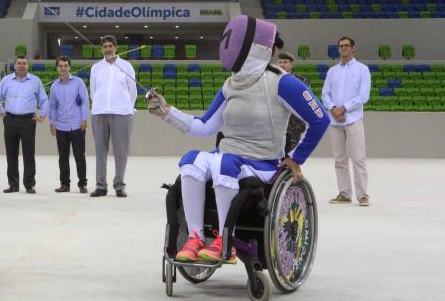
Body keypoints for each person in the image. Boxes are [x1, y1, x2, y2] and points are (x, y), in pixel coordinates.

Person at [147, 15, 329, 263]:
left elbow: (320, 119)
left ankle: (226, 241)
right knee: (190, 160)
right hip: (228, 157)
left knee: (224, 163)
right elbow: (204, 126)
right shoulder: (231, 84)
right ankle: (195, 238)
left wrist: (296, 159)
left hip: (262, 163)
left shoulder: (283, 83)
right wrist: (166, 112)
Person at [321, 36, 371, 207]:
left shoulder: (362, 69)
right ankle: (344, 193)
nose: (343, 48)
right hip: (335, 121)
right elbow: (325, 94)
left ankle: (362, 195)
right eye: (341, 46)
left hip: (353, 119)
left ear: (353, 48)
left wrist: (344, 108)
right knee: (339, 159)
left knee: (358, 158)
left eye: (346, 45)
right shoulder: (332, 71)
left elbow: (363, 96)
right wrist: (334, 108)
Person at [0, 55, 49, 194]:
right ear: (15, 65)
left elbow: (44, 100)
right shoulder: (6, 80)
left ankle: (29, 184)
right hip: (10, 120)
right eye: (19, 63)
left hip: (28, 121)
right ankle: (13, 185)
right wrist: (0, 112)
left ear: (28, 66)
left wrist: (42, 115)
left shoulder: (35, 81)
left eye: (24, 63)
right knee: (11, 153)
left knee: (29, 153)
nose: (22, 65)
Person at [89, 35, 137, 198]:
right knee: (100, 150)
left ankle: (119, 185)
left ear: (116, 48)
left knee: (121, 151)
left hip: (121, 113)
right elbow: (93, 91)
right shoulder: (96, 68)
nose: (108, 49)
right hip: (99, 112)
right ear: (101, 49)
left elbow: (132, 91)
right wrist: (98, 105)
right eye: (105, 46)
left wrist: (126, 107)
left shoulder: (126, 66)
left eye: (110, 46)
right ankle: (100, 186)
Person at [49, 56, 89, 194]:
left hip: (77, 125)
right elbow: (53, 106)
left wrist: (84, 119)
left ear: (69, 67)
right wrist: (52, 122)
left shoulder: (78, 83)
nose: (63, 68)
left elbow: (85, 101)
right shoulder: (54, 86)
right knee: (63, 157)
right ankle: (64, 184)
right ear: (57, 68)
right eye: (61, 66)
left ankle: (82, 184)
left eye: (66, 65)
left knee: (79, 156)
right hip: (61, 126)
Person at [277, 51, 312, 154]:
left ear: (291, 64)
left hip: (294, 126)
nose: (282, 65)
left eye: (285, 62)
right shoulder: (271, 80)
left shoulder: (302, 81)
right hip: (276, 124)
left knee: (291, 156)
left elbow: (306, 102)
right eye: (280, 62)